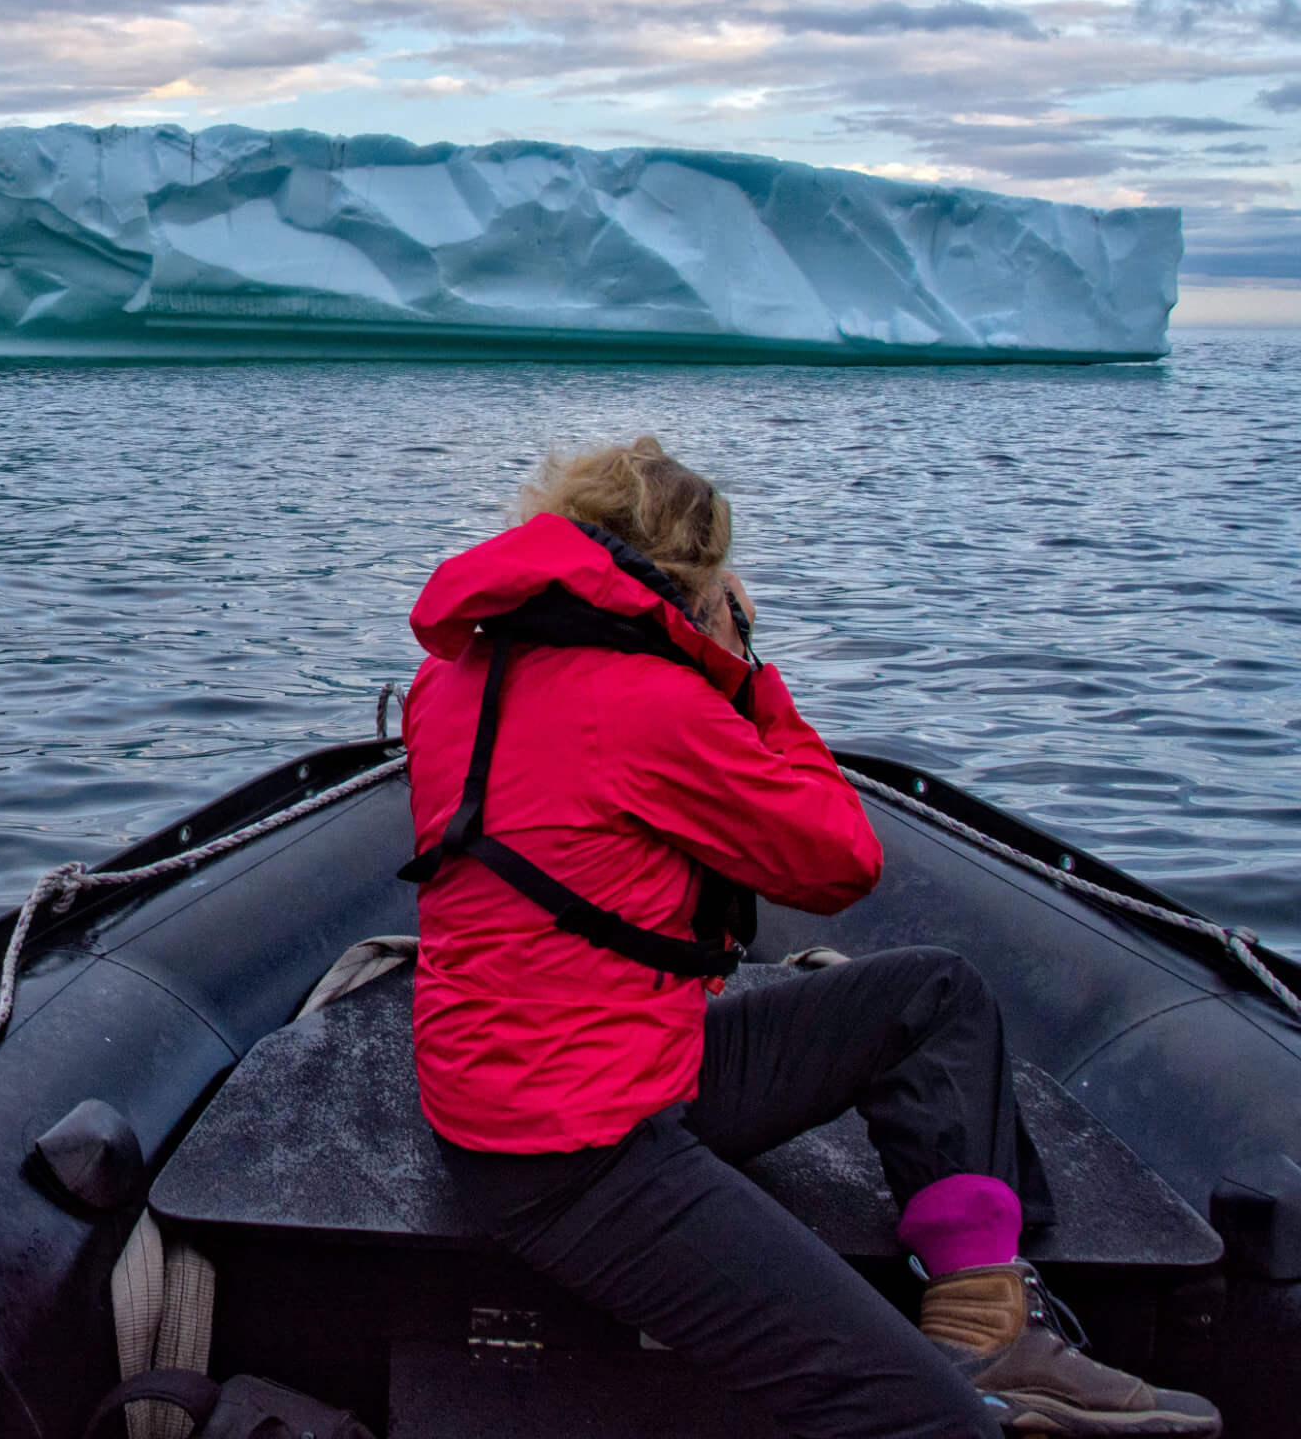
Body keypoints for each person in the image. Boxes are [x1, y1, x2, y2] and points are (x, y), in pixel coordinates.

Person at [400, 437, 1219, 1438]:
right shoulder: (648, 706)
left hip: (596, 1073)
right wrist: (741, 666)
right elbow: (838, 859)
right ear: (692, 579)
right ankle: (958, 1383)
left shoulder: (455, 679)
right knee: (928, 1424)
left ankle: (986, 1322)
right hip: (572, 1152)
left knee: (930, 998)